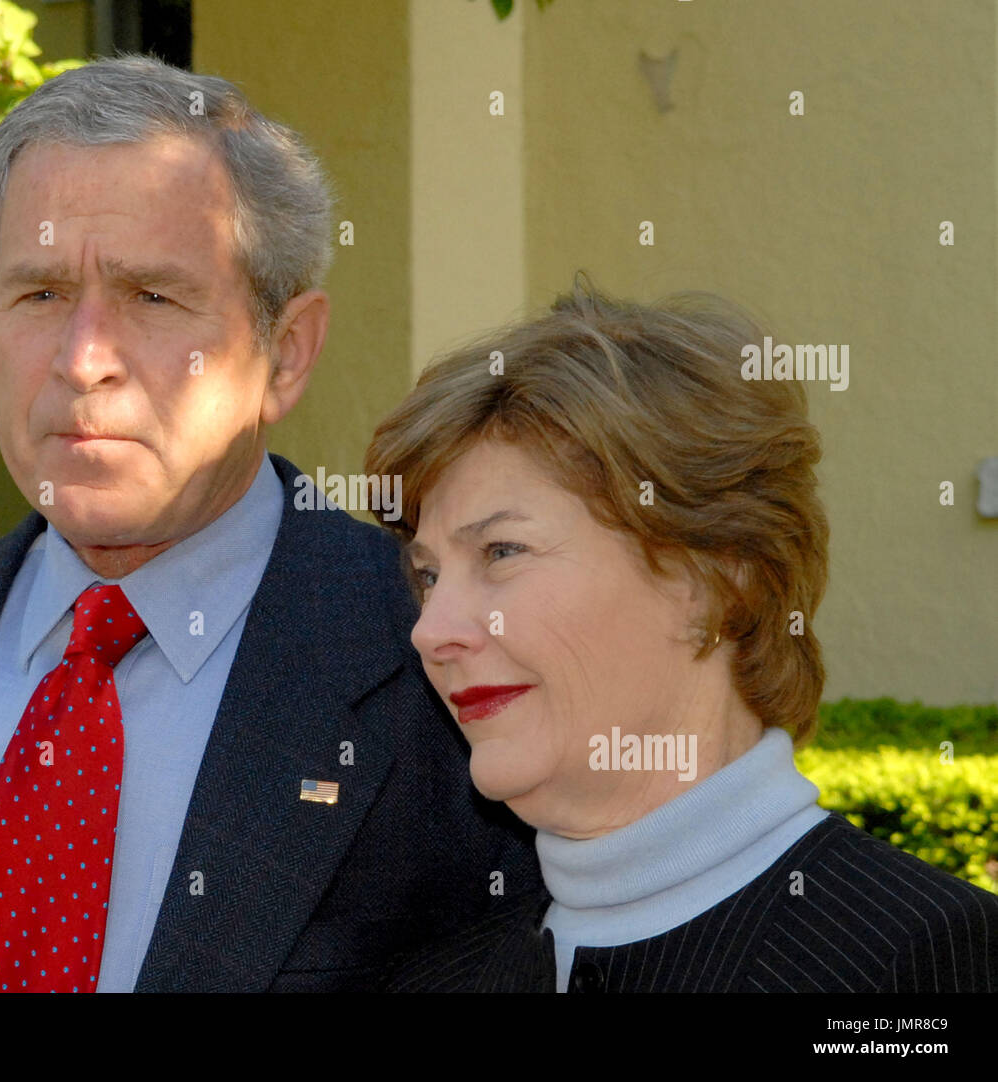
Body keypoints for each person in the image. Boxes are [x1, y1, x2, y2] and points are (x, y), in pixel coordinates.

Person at [0, 55, 538, 993]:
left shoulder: (453, 662)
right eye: (40, 294)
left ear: (286, 352)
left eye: (152, 296)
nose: (84, 359)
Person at [366, 277, 998, 992]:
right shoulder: (430, 981)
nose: (432, 630)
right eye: (427, 576)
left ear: (717, 577)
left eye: (502, 552)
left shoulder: (930, 963)